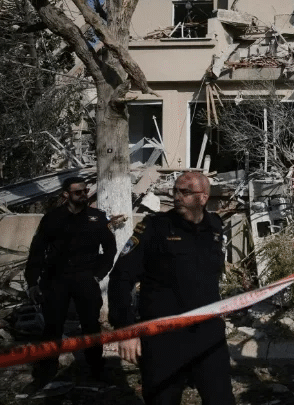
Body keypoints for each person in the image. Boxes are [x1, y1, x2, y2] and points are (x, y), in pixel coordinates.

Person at [108, 172, 234, 405]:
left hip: (207, 334)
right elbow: (120, 278)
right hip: (163, 337)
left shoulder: (215, 227)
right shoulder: (155, 228)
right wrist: (125, 329)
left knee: (221, 399)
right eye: (174, 191)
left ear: (203, 197)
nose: (176, 196)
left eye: (185, 192)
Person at [24, 176, 115, 384]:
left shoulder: (97, 218)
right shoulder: (52, 218)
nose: (84, 195)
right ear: (66, 194)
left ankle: (96, 369)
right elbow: (37, 251)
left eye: (85, 191)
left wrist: (98, 274)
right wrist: (32, 282)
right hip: (56, 279)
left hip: (85, 278)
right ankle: (46, 371)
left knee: (91, 325)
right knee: (53, 326)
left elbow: (110, 248)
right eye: (78, 192)